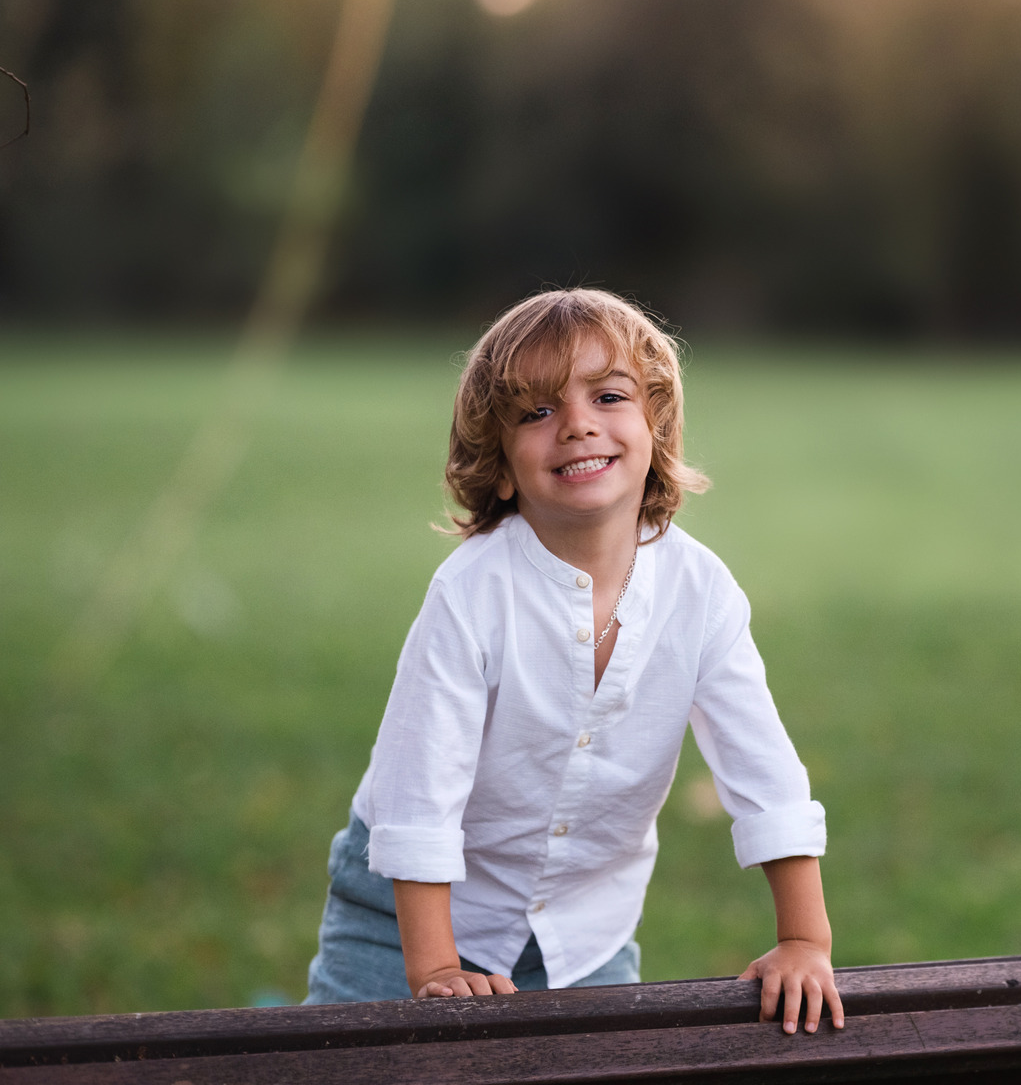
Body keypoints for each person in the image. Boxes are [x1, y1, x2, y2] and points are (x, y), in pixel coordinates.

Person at [303, 288, 843, 1035]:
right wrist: (432, 972)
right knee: (356, 1068)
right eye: (537, 412)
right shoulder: (471, 592)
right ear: (498, 466)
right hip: (405, 923)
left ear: (655, 426)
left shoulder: (701, 590)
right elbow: (417, 793)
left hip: (585, 931)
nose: (578, 424)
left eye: (609, 395)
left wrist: (803, 940)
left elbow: (765, 775)